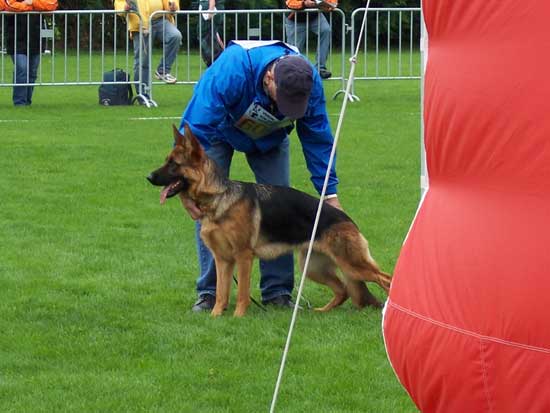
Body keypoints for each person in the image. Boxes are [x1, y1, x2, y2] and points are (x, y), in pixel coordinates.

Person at [178, 40, 343, 312]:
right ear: (269, 78)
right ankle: (209, 293)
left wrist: (330, 193)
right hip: (218, 131)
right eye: (284, 99)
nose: (287, 107)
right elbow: (195, 129)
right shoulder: (232, 70)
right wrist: (186, 187)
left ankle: (277, 292)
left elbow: (317, 137)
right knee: (207, 203)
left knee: (280, 207)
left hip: (271, 136)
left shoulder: (307, 80)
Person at [115, 0, 182, 97]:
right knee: (143, 60)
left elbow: (172, 2)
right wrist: (124, 8)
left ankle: (163, 71)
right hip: (141, 23)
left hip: (160, 19)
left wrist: (173, 6)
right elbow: (119, 3)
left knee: (175, 36)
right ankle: (142, 93)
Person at [285, 0, 334, 79]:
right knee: (294, 49)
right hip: (295, 18)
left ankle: (320, 68)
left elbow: (331, 2)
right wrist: (303, 3)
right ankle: (293, 72)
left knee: (325, 30)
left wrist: (331, 4)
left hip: (315, 15)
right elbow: (289, 3)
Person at [6, 4, 42, 106]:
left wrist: (31, 2)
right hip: (16, 39)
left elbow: (51, 5)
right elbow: (8, 5)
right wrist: (32, 5)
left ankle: (27, 101)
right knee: (22, 69)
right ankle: (19, 102)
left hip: (35, 38)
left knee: (32, 72)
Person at [195, 0, 225, 66]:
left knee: (208, 36)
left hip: (209, 12)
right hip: (209, 11)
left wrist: (210, 12)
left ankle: (215, 61)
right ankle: (221, 58)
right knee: (213, 35)